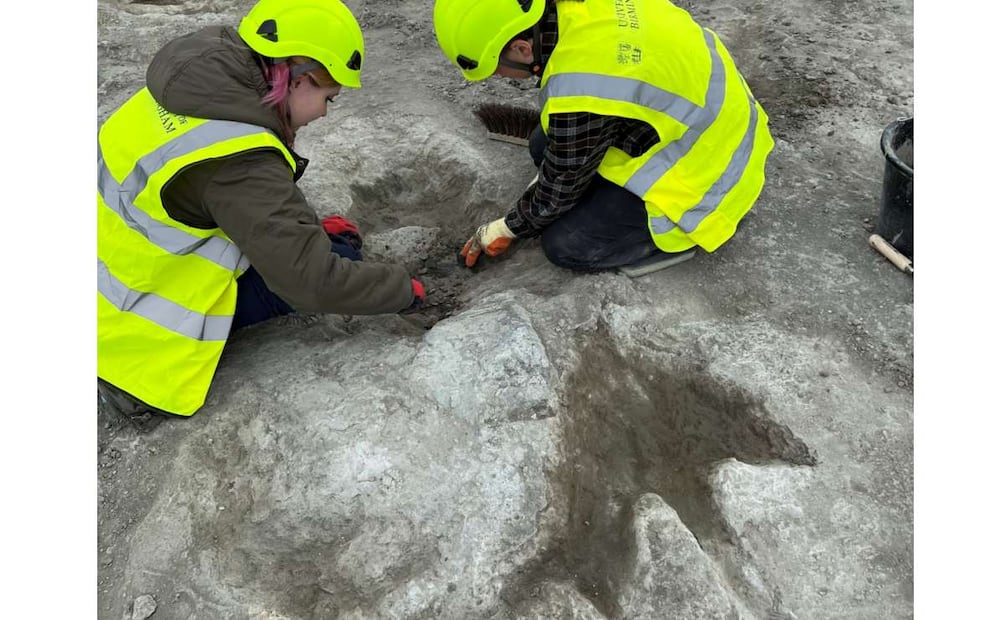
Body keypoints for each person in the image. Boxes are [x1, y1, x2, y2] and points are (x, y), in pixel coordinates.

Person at [97, 0, 425, 418]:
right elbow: (310, 283)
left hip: (113, 274)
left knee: (328, 248)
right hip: (135, 336)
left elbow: (227, 200)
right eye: (329, 98)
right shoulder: (240, 161)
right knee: (339, 260)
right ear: (300, 80)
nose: (324, 113)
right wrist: (401, 290)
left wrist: (308, 231)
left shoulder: (197, 84)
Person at [432, 0, 775, 273]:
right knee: (542, 144)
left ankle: (673, 241)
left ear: (523, 49)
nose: (499, 77)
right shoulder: (580, 10)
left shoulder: (582, 84)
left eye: (496, 68)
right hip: (705, 117)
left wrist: (508, 228)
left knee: (567, 245)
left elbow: (559, 189)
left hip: (708, 173)